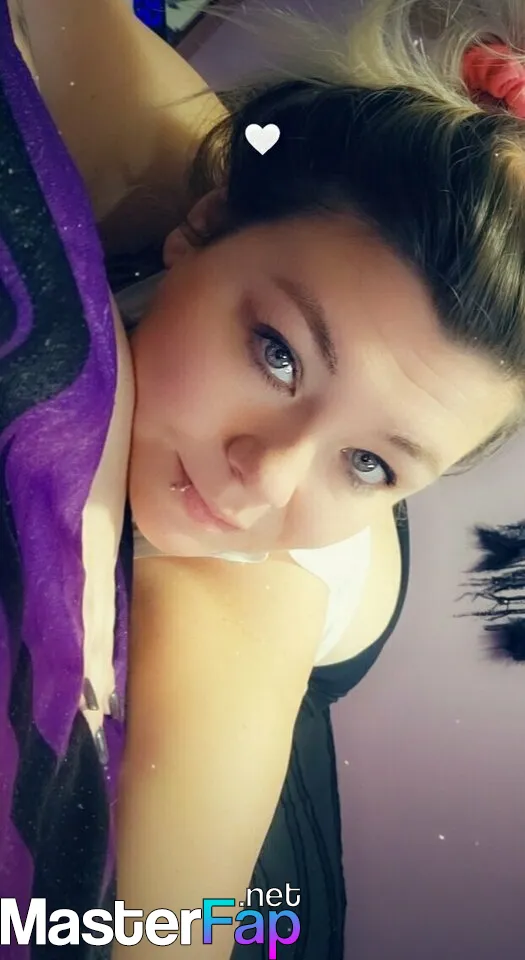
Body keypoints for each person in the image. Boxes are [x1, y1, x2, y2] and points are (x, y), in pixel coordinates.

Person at [2, 0, 525, 957]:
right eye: (277, 354)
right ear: (201, 226)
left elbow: (166, 935)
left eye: (372, 465)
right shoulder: (205, 160)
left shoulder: (233, 611)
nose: (265, 477)